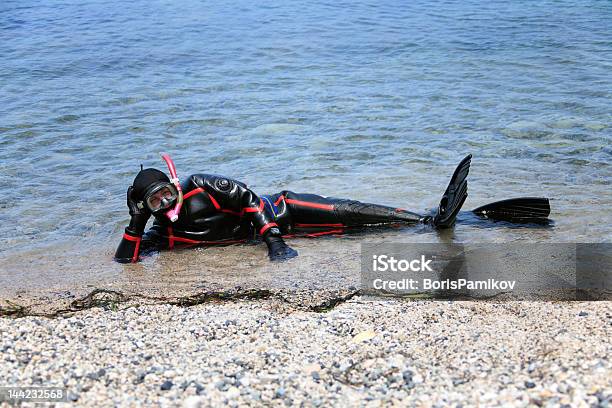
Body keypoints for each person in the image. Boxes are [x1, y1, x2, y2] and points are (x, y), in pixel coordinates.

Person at [114, 154, 550, 263]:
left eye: (166, 194)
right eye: (155, 203)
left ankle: (436, 218)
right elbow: (128, 261)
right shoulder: (160, 232)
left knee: (360, 213)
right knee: (368, 233)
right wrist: (136, 221)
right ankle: (463, 221)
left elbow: (248, 201)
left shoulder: (202, 185)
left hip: (284, 211)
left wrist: (274, 244)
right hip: (295, 234)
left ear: (173, 183)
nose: (165, 204)